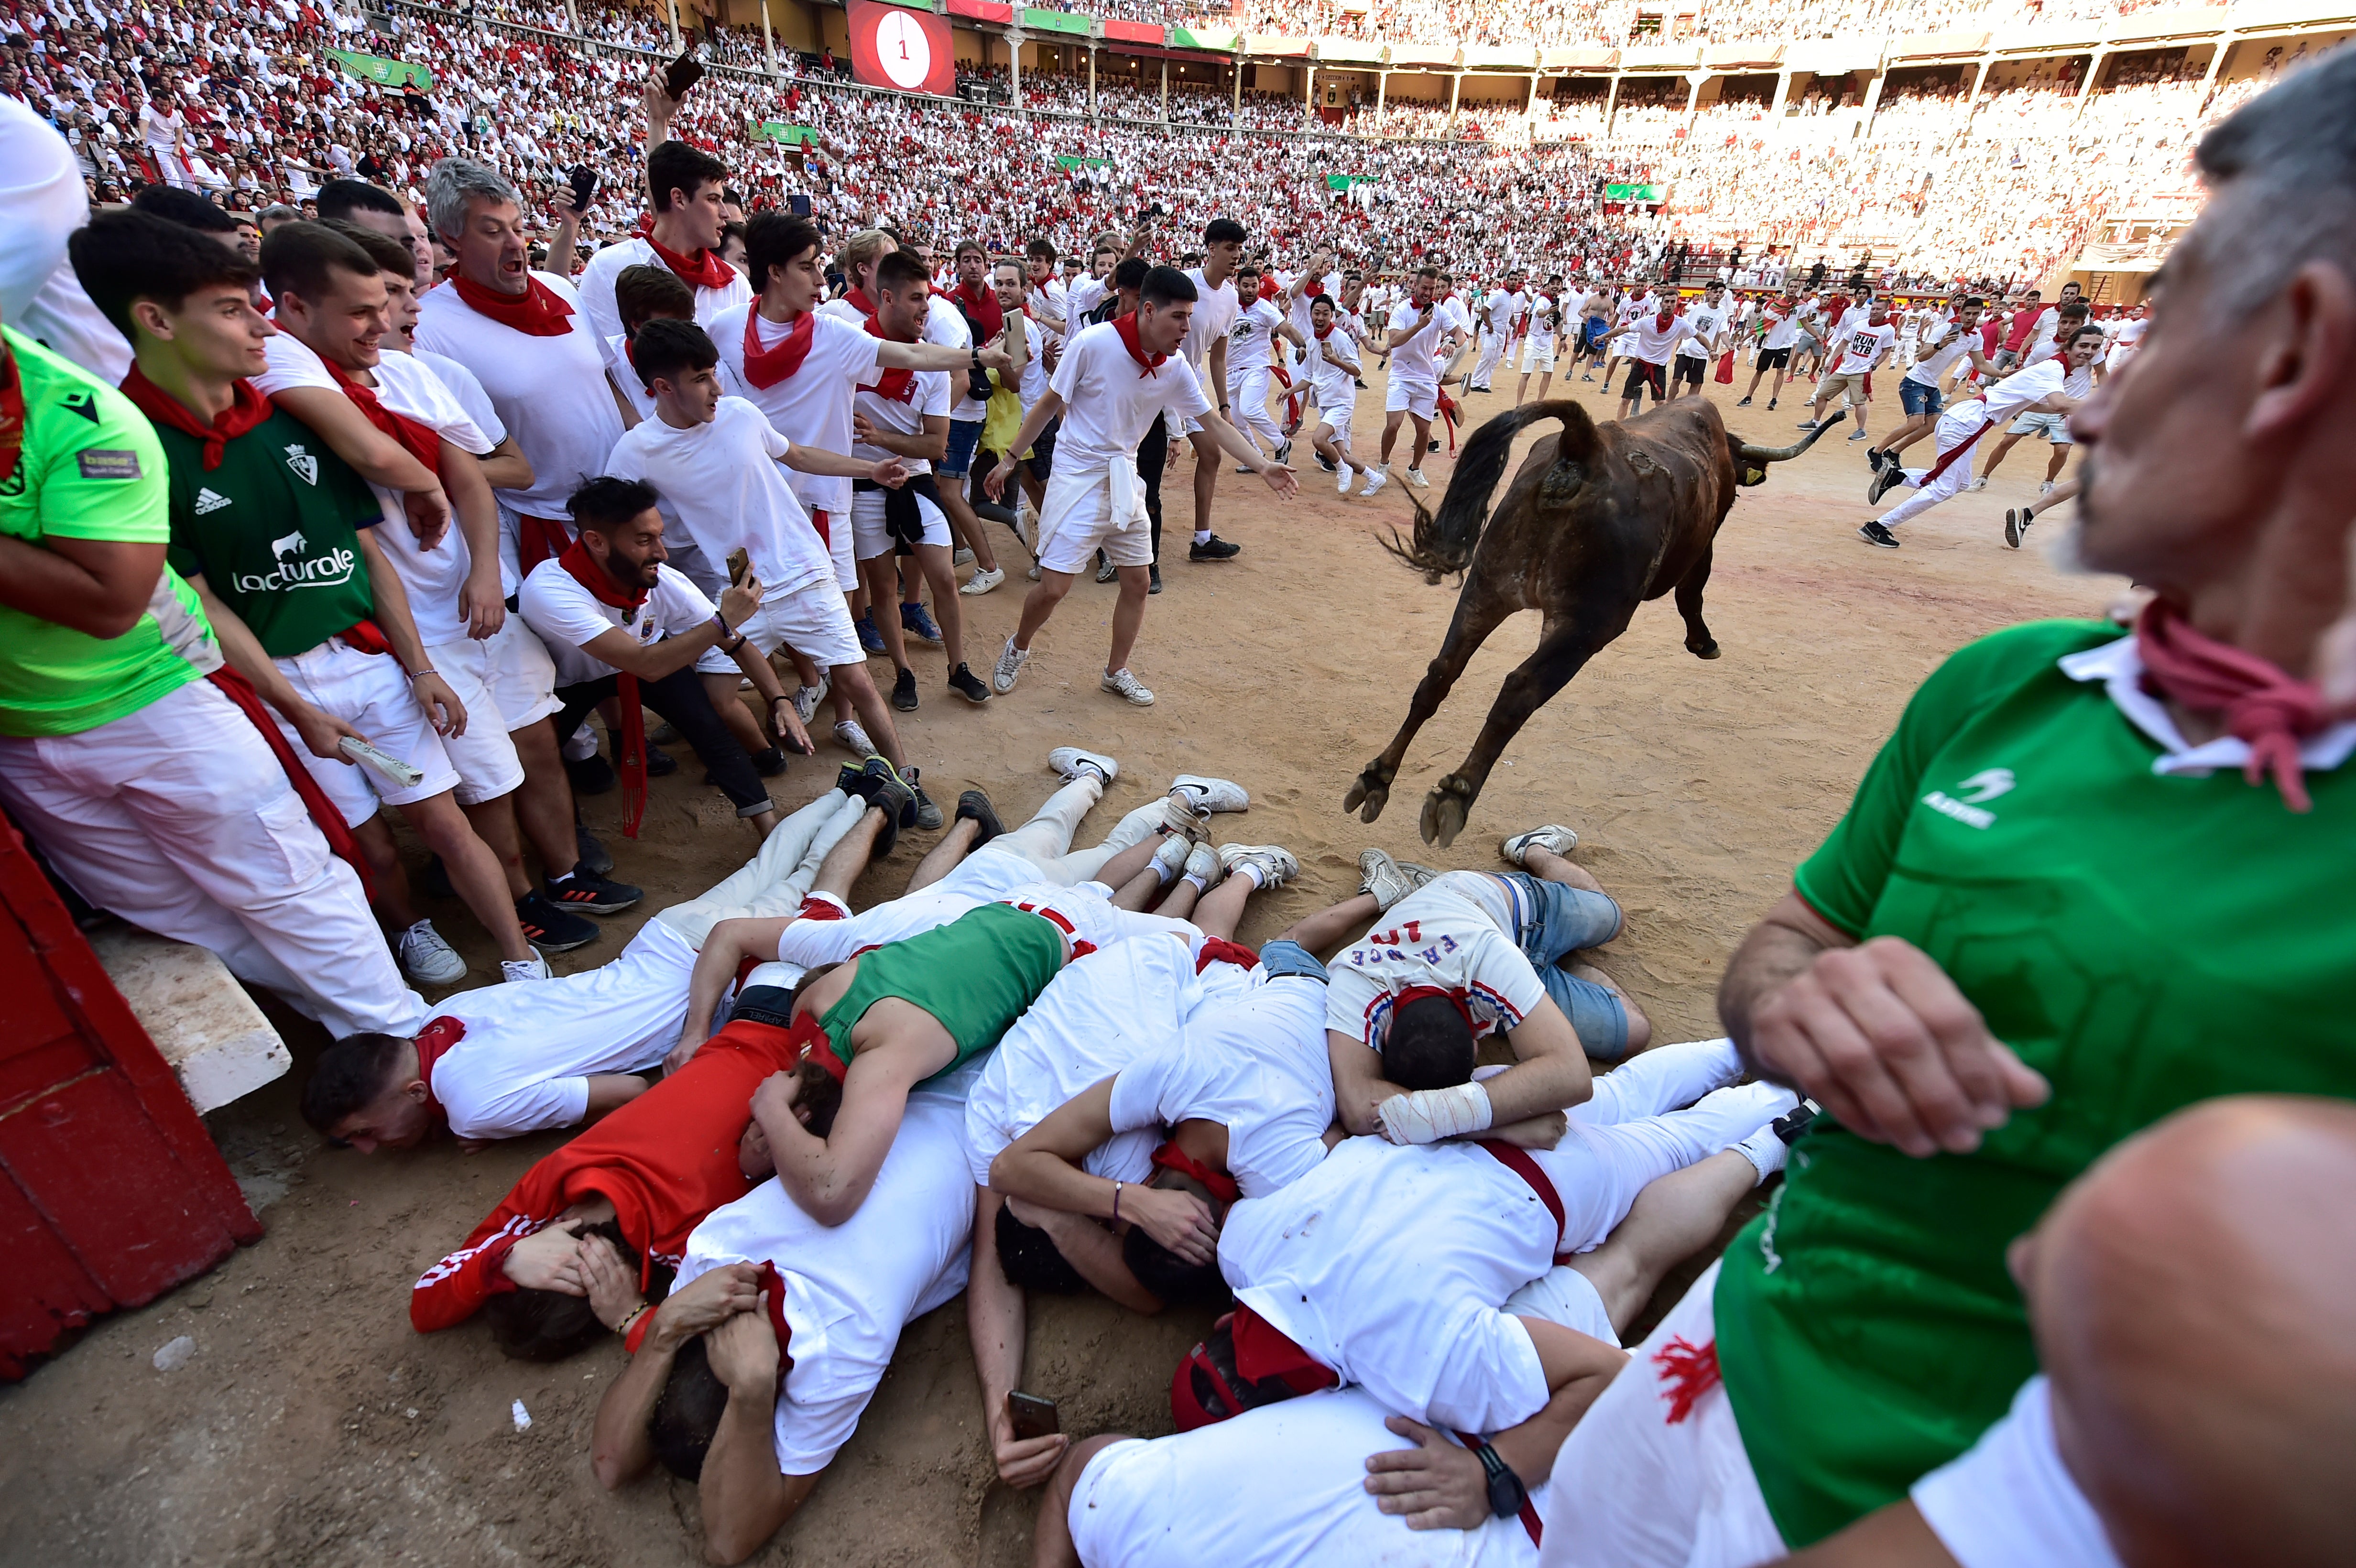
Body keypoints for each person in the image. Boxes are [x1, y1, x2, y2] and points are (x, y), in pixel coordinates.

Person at [1535, 54, 2356, 1565]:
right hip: (1712, 1366)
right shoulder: (2004, 682)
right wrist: (1794, 1002)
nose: (2093, 399)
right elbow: (1778, 951)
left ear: (2295, 354)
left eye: (2156, 321)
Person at [81, 209, 549, 989]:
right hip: (280, 683)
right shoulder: (130, 453)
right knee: (360, 838)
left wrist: (420, 666)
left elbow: (365, 551)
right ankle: (410, 932)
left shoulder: (292, 417)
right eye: (233, 311)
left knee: (440, 815)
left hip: (366, 657)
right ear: (156, 321)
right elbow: (199, 604)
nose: (259, 328)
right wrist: (291, 708)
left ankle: (519, 955)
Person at [0, 227, 426, 1042]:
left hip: (151, 696)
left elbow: (110, 602)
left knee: (283, 881)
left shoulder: (89, 421)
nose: (263, 328)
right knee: (161, 905)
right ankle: (353, 1030)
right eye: (236, 309)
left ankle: (406, 1045)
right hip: (22, 728)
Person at [1034, 1139, 1802, 1568]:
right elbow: (1083, 1480)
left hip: (1473, 1417)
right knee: (1644, 1282)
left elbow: (1081, 1475)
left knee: (1632, 1274)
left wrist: (1495, 1469)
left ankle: (1778, 1141)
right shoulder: (1150, 1525)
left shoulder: (1146, 1523)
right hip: (1511, 1442)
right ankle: (1782, 1144)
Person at [253, 220, 638, 958]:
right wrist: (433, 473)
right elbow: (406, 464)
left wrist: (487, 569)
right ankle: (520, 903)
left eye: (393, 298)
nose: (392, 318)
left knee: (537, 742)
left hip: (475, 597)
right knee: (485, 782)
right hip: (415, 625)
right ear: (298, 311)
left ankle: (564, 877)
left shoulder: (409, 375)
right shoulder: (285, 375)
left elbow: (475, 467)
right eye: (368, 307)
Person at [1204, 1042, 1795, 1435]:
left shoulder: (1408, 1365)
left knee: (1680, 1142)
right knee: (1622, 1091)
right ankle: (1747, 1042)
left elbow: (1568, 1359)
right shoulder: (1240, 1246)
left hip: (1558, 1181)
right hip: (1465, 1113)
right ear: (1224, 1326)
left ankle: (1788, 1105)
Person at [302, 783, 876, 1154]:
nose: (369, 1148)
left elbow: (628, 1089)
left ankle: (872, 799)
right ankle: (845, 792)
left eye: (365, 1132)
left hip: (697, 972)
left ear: (410, 1089)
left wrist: (479, 1126)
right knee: (773, 867)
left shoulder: (470, 1105)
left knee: (804, 881)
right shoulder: (443, 1015)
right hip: (667, 942)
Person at [587, 1089, 975, 1566]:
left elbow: (612, 1466)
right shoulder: (837, 1344)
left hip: (921, 1100)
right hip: (970, 1113)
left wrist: (665, 1327)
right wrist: (741, 1385)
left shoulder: (717, 1262)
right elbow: (726, 1542)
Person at [604, 317, 945, 807]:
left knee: (855, 679)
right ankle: (764, 756)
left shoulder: (740, 414)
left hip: (802, 571)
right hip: (737, 598)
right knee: (719, 698)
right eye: (700, 378)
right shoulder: (635, 452)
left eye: (714, 373)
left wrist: (868, 468)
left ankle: (908, 783)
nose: (716, 388)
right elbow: (619, 523)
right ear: (662, 387)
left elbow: (800, 455)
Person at [982, 266, 1295, 708]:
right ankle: (1019, 644)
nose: (1188, 329)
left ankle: (1115, 671)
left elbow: (1211, 423)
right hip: (1078, 473)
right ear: (1148, 310)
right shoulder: (1093, 344)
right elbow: (1050, 402)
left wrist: (1263, 465)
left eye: (1191, 317)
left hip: (1125, 476)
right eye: (1180, 317)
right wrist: (1011, 459)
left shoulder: (1176, 366)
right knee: (1054, 587)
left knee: (1138, 581)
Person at [1327, 828, 1652, 1145]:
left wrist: (1441, 1119)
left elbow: (1573, 1077)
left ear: (1387, 1032)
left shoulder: (1483, 956)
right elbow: (1357, 1108)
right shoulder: (1356, 975)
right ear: (1475, 1042)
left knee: (1612, 919)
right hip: (1498, 975)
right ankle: (1556, 973)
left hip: (1507, 911)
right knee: (1633, 1031)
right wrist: (1488, 1128)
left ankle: (1534, 849)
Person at [517, 476, 790, 837]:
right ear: (596, 542)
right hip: (565, 683)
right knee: (541, 761)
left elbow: (734, 643)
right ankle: (574, 845)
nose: (662, 552)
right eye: (644, 540)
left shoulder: (663, 579)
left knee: (708, 725)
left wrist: (779, 699)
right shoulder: (551, 590)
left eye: (659, 536)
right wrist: (723, 621)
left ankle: (768, 826)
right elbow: (648, 665)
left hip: (643, 656)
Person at [413, 158, 625, 591]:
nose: (516, 244)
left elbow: (609, 387)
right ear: (452, 239)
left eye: (518, 227)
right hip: (544, 525)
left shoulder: (562, 289)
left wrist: (651, 450)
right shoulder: (429, 328)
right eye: (493, 232)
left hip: (624, 504)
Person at [844, 250, 993, 707]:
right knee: (883, 587)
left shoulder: (931, 366)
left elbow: (935, 446)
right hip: (864, 484)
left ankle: (958, 667)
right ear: (886, 298)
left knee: (944, 578)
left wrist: (879, 436)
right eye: (915, 299)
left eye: (927, 297)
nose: (925, 308)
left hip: (915, 480)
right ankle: (903, 672)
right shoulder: (850, 351)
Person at [1855, 331, 2095, 550]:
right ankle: (1878, 527)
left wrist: (2066, 410)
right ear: (2068, 347)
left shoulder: (2054, 369)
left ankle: (1896, 476)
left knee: (1960, 483)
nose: (2089, 351)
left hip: (1969, 420)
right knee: (1945, 488)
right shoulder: (2054, 369)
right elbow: (2061, 403)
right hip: (1968, 423)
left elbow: (2031, 404)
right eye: (2083, 345)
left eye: (2095, 348)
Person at [576, 139, 750, 364]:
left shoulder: (736, 283)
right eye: (713, 200)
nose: (725, 213)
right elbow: (603, 368)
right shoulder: (608, 268)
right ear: (679, 199)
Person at [1179, 217, 1250, 563]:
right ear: (1211, 249)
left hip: (1190, 386)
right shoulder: (1185, 284)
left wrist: (1224, 406)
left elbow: (1218, 358)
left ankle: (1202, 539)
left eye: (1239, 249)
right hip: (1156, 381)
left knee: (1212, 454)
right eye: (1229, 249)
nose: (1236, 256)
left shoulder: (1231, 298)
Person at [1865, 299, 1989, 474]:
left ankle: (1893, 452)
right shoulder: (1944, 329)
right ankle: (1877, 451)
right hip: (1915, 381)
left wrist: (2002, 374)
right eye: (1968, 313)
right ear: (1960, 312)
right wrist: (1941, 345)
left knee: (1933, 425)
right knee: (1915, 422)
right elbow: (1922, 356)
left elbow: (1981, 364)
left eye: (1975, 314)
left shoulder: (1976, 336)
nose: (1970, 318)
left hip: (1932, 384)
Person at [1374, 266, 1451, 492]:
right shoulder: (1402, 310)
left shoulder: (1439, 311)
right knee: (1394, 425)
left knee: (1424, 431)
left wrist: (1453, 342)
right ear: (1415, 286)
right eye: (1425, 288)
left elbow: (1459, 333)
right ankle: (1383, 463)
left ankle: (1414, 469)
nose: (1428, 293)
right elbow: (1395, 341)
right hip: (1401, 376)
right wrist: (1419, 325)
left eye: (1433, 289)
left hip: (1426, 378)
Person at [1797, 300, 1897, 444]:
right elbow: (1844, 342)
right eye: (1873, 309)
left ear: (1886, 310)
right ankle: (1815, 421)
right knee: (1821, 395)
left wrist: (1874, 366)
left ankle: (1861, 429)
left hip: (1862, 371)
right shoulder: (1859, 325)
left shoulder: (1888, 330)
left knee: (1859, 403)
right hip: (1846, 368)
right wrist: (1831, 361)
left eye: (1878, 309)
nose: (1874, 312)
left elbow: (1887, 350)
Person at [1303, 294, 1370, 496]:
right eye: (1317, 313)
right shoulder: (1312, 342)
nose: (1320, 318)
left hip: (1341, 402)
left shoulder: (1341, 338)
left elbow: (1357, 370)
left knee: (1319, 440)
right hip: (1326, 402)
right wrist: (1290, 391)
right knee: (1342, 454)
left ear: (1332, 315)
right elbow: (1309, 377)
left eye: (1325, 314)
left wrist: (1336, 361)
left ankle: (1343, 471)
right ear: (1311, 314)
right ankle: (1374, 478)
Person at [1615, 297, 1697, 421]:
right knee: (1626, 399)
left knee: (1660, 403)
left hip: (1658, 368)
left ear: (1676, 305)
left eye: (1672, 302)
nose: (1669, 305)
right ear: (1661, 304)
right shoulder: (1648, 321)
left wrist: (1711, 350)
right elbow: (1623, 329)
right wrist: (1603, 336)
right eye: (1667, 302)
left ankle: (1663, 427)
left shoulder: (1680, 323)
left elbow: (1699, 336)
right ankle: (1618, 425)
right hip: (1641, 365)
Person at [1736, 293, 1801, 410]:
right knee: (1759, 371)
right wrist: (1744, 339)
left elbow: (1805, 322)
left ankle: (1774, 400)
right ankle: (1748, 397)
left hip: (1786, 344)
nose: (1792, 290)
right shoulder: (1774, 308)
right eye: (1790, 287)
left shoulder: (1801, 306)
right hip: (1770, 344)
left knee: (1781, 370)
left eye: (1795, 287)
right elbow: (1762, 325)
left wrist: (1817, 335)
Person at [1671, 279, 1733, 402]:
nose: (1717, 295)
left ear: (1723, 295)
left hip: (1702, 353)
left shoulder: (1722, 314)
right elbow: (1686, 327)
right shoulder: (1697, 308)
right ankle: (1668, 403)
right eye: (1715, 292)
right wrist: (1680, 343)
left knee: (1696, 383)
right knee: (1677, 379)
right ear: (1710, 293)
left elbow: (1723, 332)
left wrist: (1730, 346)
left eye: (1721, 293)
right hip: (1686, 349)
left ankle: (1688, 407)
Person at [1514, 275, 1563, 407]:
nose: (1555, 286)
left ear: (1561, 287)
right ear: (1548, 286)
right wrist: (1549, 311)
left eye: (1558, 284)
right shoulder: (1542, 300)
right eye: (1553, 283)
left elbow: (1556, 322)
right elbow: (1540, 313)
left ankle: (1540, 403)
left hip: (1547, 343)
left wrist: (1562, 338)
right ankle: (1519, 405)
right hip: (1534, 341)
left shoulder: (1556, 301)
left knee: (1548, 373)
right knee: (1526, 374)